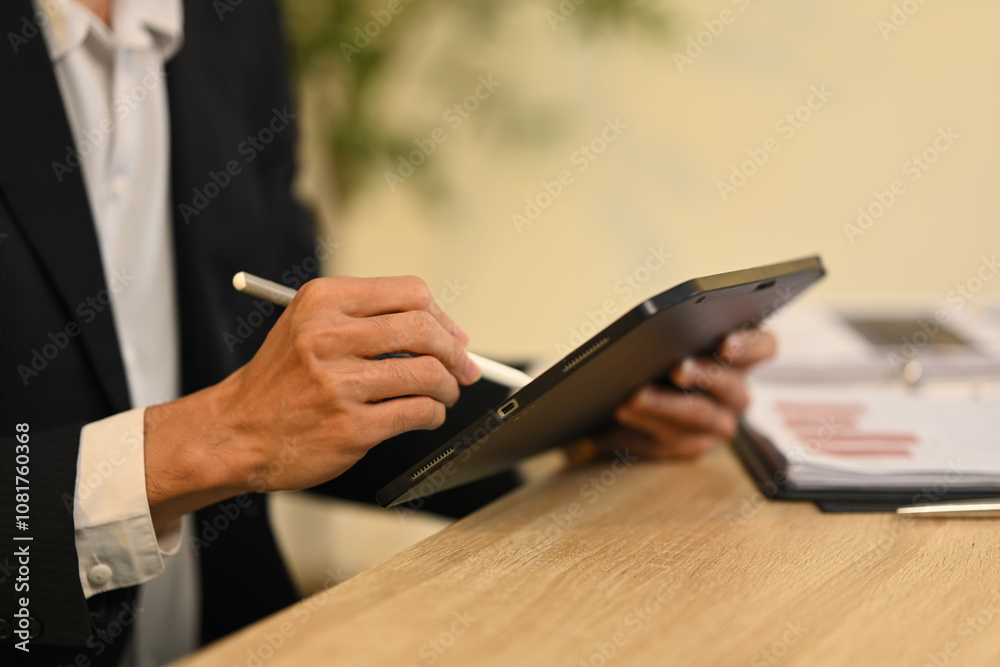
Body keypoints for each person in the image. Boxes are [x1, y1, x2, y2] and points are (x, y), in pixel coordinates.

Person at [0, 0, 776, 665]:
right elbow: (254, 417)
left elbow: (300, 396)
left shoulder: (226, 21)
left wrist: (587, 400)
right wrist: (215, 437)